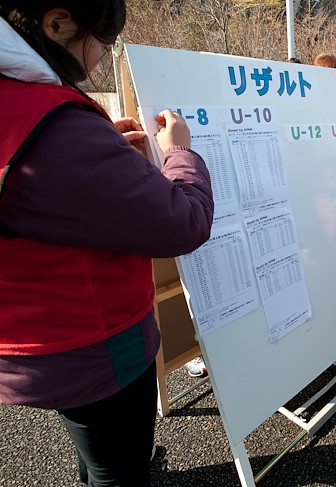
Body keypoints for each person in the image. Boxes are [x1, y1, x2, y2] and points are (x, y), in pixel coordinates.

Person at [0, 2, 214, 486]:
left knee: (95, 446)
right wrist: (180, 150)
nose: (101, 56)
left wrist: (98, 152)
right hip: (93, 344)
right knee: (118, 469)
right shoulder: (53, 121)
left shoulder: (24, 108)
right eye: (103, 41)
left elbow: (42, 186)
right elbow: (186, 223)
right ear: (57, 22)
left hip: (22, 339)